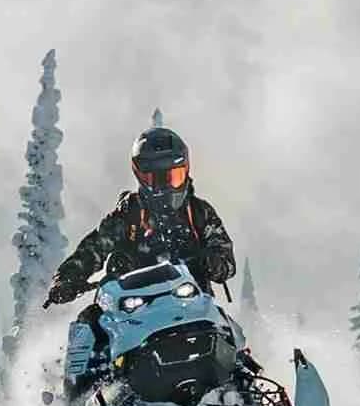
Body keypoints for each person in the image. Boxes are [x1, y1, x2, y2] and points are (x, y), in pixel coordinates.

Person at [43, 126, 236, 335]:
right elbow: (93, 248)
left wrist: (214, 262)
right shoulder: (127, 216)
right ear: (140, 177)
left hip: (191, 306)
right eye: (155, 179)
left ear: (186, 171)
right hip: (133, 315)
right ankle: (79, 366)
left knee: (229, 333)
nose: (166, 187)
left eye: (173, 177)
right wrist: (68, 278)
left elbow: (225, 258)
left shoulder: (199, 213)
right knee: (88, 324)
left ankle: (240, 364)